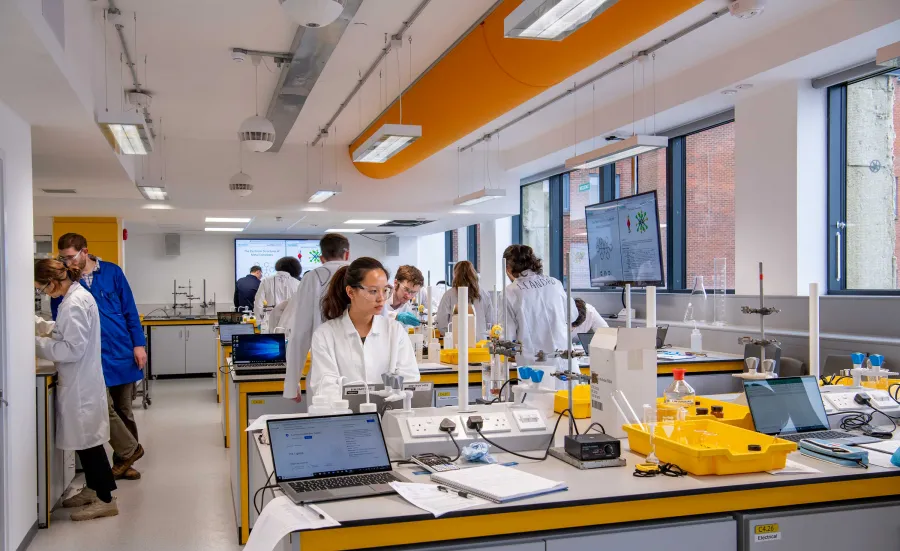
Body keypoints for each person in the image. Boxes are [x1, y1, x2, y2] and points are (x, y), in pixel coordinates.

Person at [54, 233, 146, 480]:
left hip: (120, 350)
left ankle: (125, 462)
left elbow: (130, 310)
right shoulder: (66, 280)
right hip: (91, 355)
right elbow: (59, 315)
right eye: (63, 258)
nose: (67, 263)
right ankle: (123, 454)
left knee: (124, 409)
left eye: (71, 257)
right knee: (101, 409)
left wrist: (138, 344)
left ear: (85, 251)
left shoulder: (112, 272)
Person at [35, 259, 119, 521]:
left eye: (43, 289)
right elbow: (66, 332)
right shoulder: (77, 296)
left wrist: (34, 344)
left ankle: (105, 499)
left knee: (88, 443)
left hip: (80, 384)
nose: (45, 294)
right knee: (86, 442)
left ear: (53, 281)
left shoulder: (72, 304)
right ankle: (93, 489)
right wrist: (40, 327)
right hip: (83, 381)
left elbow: (71, 349)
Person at [309, 258, 420, 398]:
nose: (381, 298)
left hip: (389, 414)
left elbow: (409, 379)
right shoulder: (325, 334)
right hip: (345, 417)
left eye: (385, 290)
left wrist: (398, 395)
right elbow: (324, 386)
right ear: (350, 292)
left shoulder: (395, 331)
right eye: (373, 291)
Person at [281, 234, 351, 400]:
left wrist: (291, 384)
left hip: (324, 372)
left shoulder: (312, 277)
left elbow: (300, 333)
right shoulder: (364, 275)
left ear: (321, 257)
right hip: (364, 375)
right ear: (347, 254)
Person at [503, 244, 576, 389]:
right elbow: (572, 316)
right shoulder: (555, 283)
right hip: (564, 363)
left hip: (535, 368)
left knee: (538, 407)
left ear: (508, 268)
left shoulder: (511, 292)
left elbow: (506, 337)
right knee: (568, 408)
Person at [436, 261, 494, 341]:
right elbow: (490, 321)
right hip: (480, 343)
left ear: (455, 275)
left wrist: (450, 335)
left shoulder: (448, 295)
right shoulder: (484, 294)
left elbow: (441, 322)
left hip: (456, 342)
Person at [254, 256, 301, 321]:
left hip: (270, 321)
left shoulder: (266, 281)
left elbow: (258, 304)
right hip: (291, 322)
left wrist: (260, 321)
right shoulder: (298, 283)